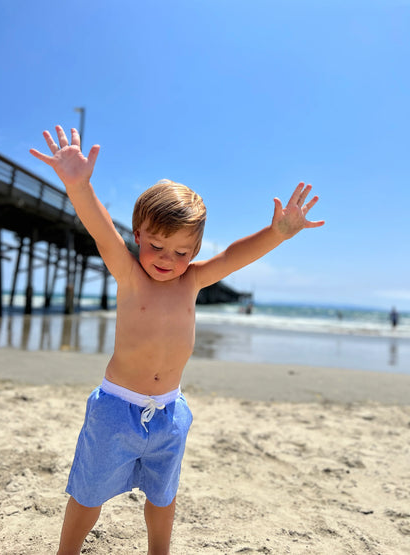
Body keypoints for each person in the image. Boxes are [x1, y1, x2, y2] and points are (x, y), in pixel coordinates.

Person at [30, 125, 325, 555]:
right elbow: (99, 230)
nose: (168, 260)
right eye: (156, 246)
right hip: (116, 409)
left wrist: (277, 233)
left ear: (195, 248)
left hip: (169, 413)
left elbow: (233, 257)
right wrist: (78, 185)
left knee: (163, 497)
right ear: (137, 236)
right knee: (88, 494)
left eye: (182, 251)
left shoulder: (193, 282)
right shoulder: (129, 275)